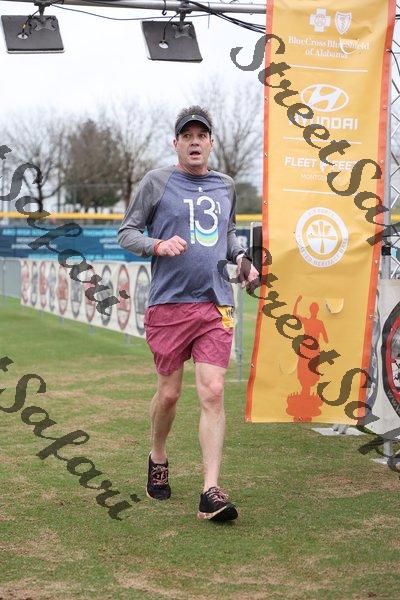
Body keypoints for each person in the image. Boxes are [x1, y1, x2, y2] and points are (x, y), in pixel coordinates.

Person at [118, 106, 259, 522]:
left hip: (216, 303)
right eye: (187, 136)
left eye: (201, 135)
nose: (195, 142)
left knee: (213, 390)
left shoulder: (225, 185)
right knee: (170, 394)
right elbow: (127, 232)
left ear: (211, 142)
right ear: (176, 142)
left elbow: (228, 233)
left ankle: (210, 490)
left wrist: (242, 258)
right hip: (168, 305)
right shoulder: (156, 182)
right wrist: (157, 245)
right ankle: (157, 455)